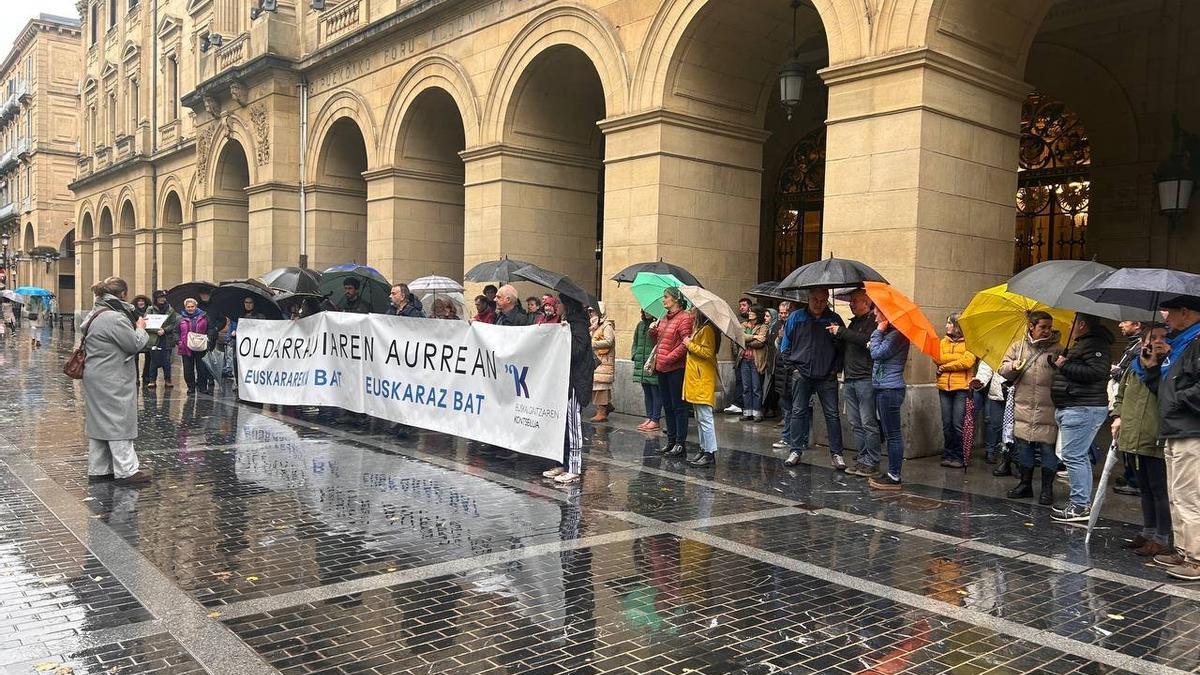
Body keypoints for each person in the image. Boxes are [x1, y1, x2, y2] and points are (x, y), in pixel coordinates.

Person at [1136, 295, 1200, 580]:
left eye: (1170, 312)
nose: (1165, 318)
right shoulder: (1180, 344)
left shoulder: (1195, 343)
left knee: (1189, 496)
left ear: (1185, 312)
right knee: (1177, 495)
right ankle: (1184, 551)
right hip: (1174, 428)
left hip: (1190, 430)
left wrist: (1176, 399)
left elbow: (1188, 390)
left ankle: (1196, 559)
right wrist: (1152, 367)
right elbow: (1162, 388)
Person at [82, 277, 150, 485]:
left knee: (99, 422)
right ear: (123, 294)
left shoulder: (96, 312)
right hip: (112, 377)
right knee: (118, 420)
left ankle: (99, 468)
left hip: (96, 374)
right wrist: (140, 327)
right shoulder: (113, 318)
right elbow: (134, 343)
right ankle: (127, 470)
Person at [1048, 313, 1114, 522]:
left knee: (1073, 456)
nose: (1071, 325)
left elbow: (1096, 372)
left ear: (1082, 324)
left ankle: (1080, 505)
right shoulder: (1085, 343)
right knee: (1078, 455)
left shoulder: (1095, 343)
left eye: (1074, 322)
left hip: (1082, 407)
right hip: (1075, 405)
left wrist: (1064, 365)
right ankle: (1081, 502)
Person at [1113, 323, 1171, 558]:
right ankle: (1147, 532)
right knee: (1144, 488)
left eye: (1161, 337)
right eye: (1151, 337)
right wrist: (1117, 415)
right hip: (1133, 434)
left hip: (1154, 435)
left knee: (1159, 489)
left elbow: (1167, 394)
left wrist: (1155, 366)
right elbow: (1122, 393)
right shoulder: (1135, 364)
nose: (1155, 341)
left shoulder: (1169, 365)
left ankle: (1162, 537)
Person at [998, 311, 1063, 504]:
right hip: (1023, 407)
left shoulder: (1059, 349)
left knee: (1047, 450)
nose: (1047, 331)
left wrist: (1061, 366)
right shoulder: (1018, 347)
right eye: (1042, 327)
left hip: (1048, 408)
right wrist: (1012, 367)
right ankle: (1025, 485)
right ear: (1031, 327)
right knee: (1024, 446)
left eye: (1049, 327)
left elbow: (1065, 377)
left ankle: (1046, 489)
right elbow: (1003, 370)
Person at [780, 288, 847, 470]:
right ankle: (795, 449)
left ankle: (837, 453)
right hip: (801, 372)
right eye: (815, 300)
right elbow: (785, 345)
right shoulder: (796, 317)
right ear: (808, 299)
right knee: (798, 412)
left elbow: (843, 348)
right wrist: (792, 367)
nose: (819, 304)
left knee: (832, 415)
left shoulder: (834, 319)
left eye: (823, 300)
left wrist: (835, 369)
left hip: (827, 375)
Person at [542, 293, 595, 485]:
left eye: (559, 303)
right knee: (560, 426)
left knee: (573, 426)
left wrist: (564, 337)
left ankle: (573, 467)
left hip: (575, 382)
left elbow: (577, 351)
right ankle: (561, 463)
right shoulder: (567, 323)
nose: (556, 306)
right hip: (564, 380)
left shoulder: (578, 324)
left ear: (567, 305)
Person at [832, 289, 881, 477]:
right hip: (850, 377)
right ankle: (862, 458)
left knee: (868, 422)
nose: (851, 304)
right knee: (855, 422)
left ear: (867, 302)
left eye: (855, 301)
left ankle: (872, 460)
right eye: (851, 301)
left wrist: (842, 332)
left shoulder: (872, 322)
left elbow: (865, 341)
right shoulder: (853, 323)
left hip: (865, 377)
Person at [867, 317, 911, 490]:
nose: (876, 317)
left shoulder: (897, 335)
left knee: (893, 435)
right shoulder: (891, 335)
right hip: (884, 388)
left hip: (890, 389)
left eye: (878, 314)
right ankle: (892, 472)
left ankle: (894, 476)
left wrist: (878, 332)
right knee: (889, 433)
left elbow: (877, 354)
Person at [650, 287, 694, 458]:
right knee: (667, 405)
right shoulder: (664, 319)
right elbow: (660, 341)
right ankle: (671, 440)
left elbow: (685, 343)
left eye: (666, 297)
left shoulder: (684, 318)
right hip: (662, 367)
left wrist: (669, 357)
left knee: (679, 407)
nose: (663, 300)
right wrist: (653, 332)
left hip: (676, 368)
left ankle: (680, 443)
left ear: (675, 299)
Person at [1112, 320, 1149, 497]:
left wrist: (1116, 372)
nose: (1120, 325)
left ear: (1137, 324)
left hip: (1137, 408)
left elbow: (1132, 377)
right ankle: (1130, 477)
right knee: (1126, 443)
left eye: (1125, 322)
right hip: (1128, 403)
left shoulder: (1138, 349)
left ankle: (1135, 481)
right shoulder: (1134, 346)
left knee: (1133, 445)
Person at [935, 314, 977, 469]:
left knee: (957, 424)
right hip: (944, 387)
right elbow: (937, 357)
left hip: (961, 388)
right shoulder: (943, 341)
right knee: (946, 424)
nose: (946, 326)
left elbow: (967, 362)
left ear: (957, 326)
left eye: (949, 323)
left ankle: (959, 456)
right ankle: (948, 454)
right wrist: (954, 359)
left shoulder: (970, 343)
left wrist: (945, 366)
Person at [683, 310, 720, 468]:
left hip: (702, 378)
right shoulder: (700, 328)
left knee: (705, 418)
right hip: (697, 378)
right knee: (700, 417)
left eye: (693, 309)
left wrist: (689, 344)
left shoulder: (708, 329)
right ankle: (704, 448)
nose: (690, 312)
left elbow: (707, 352)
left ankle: (709, 452)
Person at [722, 297, 755, 415]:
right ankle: (740, 404)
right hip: (739, 355)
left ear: (750, 307)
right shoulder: (738, 319)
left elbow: (743, 337)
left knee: (749, 384)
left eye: (744, 305)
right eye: (740, 305)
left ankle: (742, 405)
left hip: (749, 355)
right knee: (741, 380)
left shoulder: (751, 322)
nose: (741, 307)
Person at [970, 358, 1007, 464]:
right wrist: (980, 381)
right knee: (992, 421)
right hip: (996, 391)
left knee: (1014, 427)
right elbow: (986, 367)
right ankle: (991, 451)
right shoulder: (997, 348)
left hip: (1019, 394)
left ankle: (1013, 459)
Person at [631, 309, 662, 432]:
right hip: (641, 362)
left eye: (649, 310)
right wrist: (634, 354)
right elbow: (635, 341)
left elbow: (659, 342)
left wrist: (654, 331)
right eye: (645, 310)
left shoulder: (658, 324)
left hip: (652, 362)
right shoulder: (640, 325)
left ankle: (655, 419)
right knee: (647, 391)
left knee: (655, 391)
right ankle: (649, 417)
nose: (647, 312)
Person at [738, 305, 769, 422]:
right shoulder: (744, 325)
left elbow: (760, 344)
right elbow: (740, 337)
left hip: (756, 360)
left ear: (758, 313)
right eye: (749, 311)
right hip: (744, 359)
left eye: (752, 311)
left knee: (756, 387)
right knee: (746, 387)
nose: (749, 313)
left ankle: (757, 413)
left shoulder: (763, 327)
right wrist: (755, 336)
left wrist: (747, 341)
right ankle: (747, 412)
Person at [142, 290, 179, 389]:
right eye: (160, 297)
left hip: (166, 338)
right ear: (156, 299)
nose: (162, 299)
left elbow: (173, 323)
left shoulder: (170, 310)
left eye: (163, 297)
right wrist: (156, 330)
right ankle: (152, 380)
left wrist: (165, 330)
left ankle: (168, 379)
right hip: (154, 338)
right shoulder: (150, 309)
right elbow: (146, 324)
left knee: (167, 360)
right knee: (154, 360)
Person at [177, 298, 213, 394]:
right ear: (185, 307)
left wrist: (209, 339)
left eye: (192, 306)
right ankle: (191, 386)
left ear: (196, 306)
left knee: (201, 368)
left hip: (201, 346)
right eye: (188, 307)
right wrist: (179, 342)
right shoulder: (180, 318)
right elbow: (176, 331)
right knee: (188, 369)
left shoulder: (204, 316)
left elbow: (210, 328)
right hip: (186, 346)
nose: (190, 308)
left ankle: (202, 387)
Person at [589, 307, 616, 422]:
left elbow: (609, 341)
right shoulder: (595, 326)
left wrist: (593, 343)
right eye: (589, 311)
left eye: (593, 311)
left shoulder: (606, 326)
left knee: (601, 387)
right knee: (597, 386)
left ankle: (602, 411)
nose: (590, 314)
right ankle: (607, 406)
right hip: (597, 361)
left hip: (604, 361)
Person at [130, 295, 151, 383]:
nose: (141, 303)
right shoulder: (132, 312)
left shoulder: (150, 311)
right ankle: (136, 377)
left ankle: (146, 375)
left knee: (149, 357)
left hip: (148, 336)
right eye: (139, 301)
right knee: (135, 358)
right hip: (136, 335)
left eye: (143, 301)